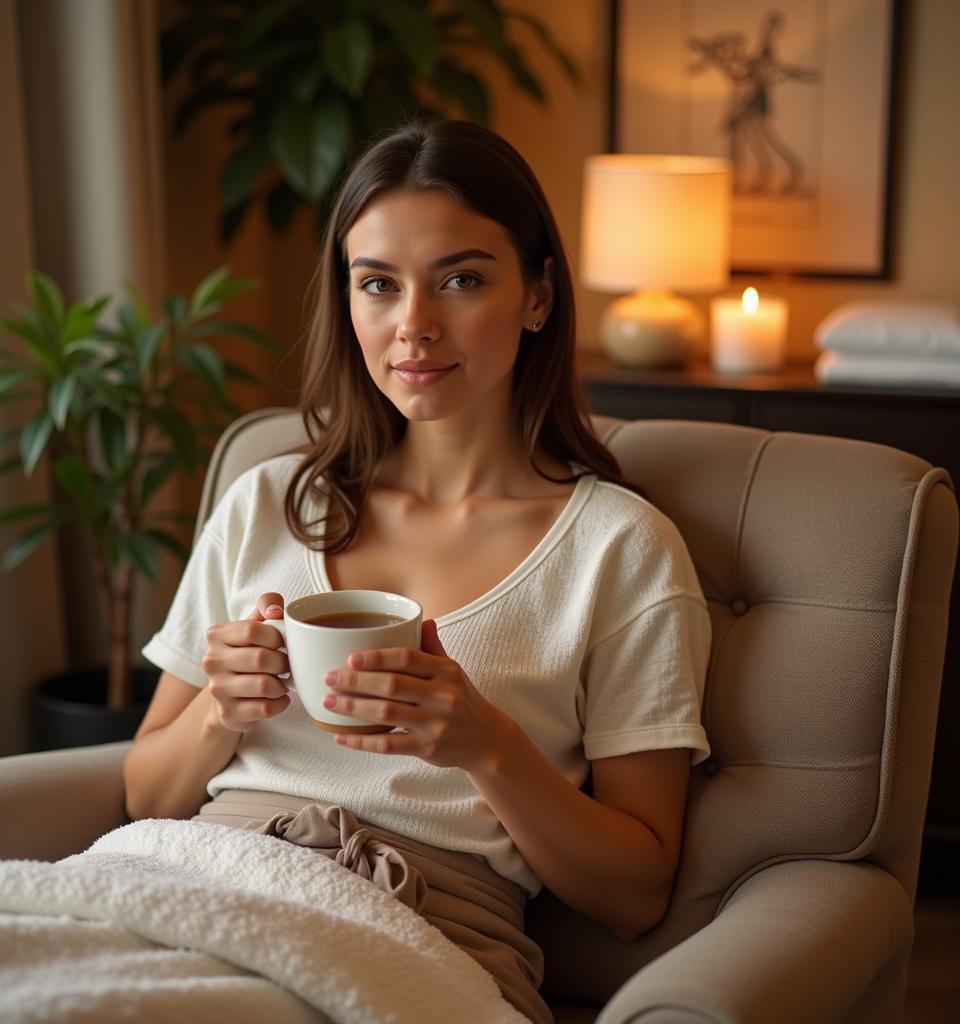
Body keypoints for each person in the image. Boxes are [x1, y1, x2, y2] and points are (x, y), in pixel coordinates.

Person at [124, 119, 711, 1024]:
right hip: (190, 884)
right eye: (378, 285)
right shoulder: (268, 502)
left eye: (462, 279)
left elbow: (634, 894)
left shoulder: (620, 549)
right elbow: (144, 794)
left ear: (539, 296)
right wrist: (218, 709)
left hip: (419, 934)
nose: (414, 327)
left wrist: (486, 744)